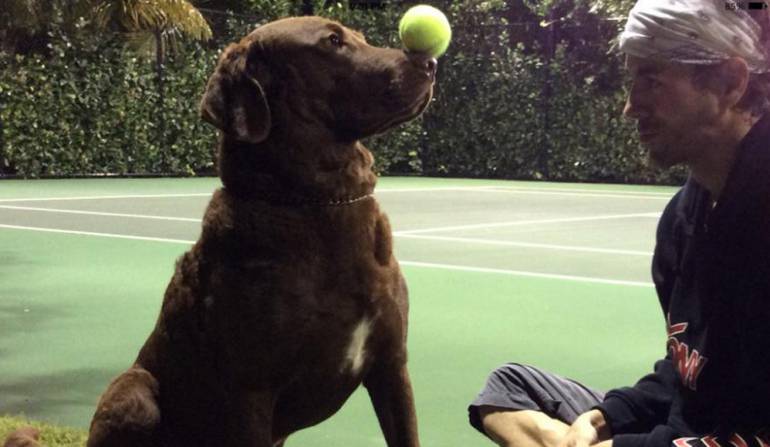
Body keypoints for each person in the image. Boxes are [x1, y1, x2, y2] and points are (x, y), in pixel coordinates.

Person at [468, 1, 770, 447]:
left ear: (728, 83)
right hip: (690, 425)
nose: (630, 107)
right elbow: (691, 371)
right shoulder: (684, 217)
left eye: (651, 79)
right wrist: (606, 417)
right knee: (508, 387)